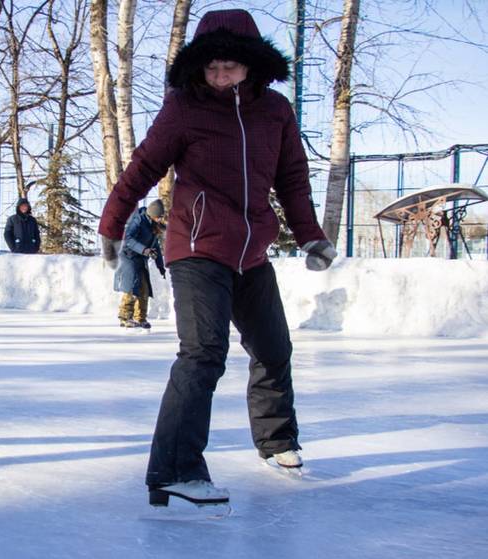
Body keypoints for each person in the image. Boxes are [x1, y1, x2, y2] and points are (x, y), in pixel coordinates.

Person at [98, 9, 337, 507]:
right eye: (211, 68)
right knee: (203, 354)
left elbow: (293, 178)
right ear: (198, 69)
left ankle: (276, 441)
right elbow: (142, 168)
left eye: (229, 66)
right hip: (197, 246)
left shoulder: (274, 110)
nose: (220, 76)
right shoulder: (185, 108)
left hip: (251, 250)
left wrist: (311, 236)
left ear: (251, 64)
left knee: (273, 347)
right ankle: (174, 470)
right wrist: (113, 226)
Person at [114, 199, 166, 329]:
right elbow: (128, 240)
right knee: (132, 285)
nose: (160, 219)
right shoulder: (138, 220)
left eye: (161, 217)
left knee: (144, 288)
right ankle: (125, 317)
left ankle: (140, 318)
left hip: (140, 257)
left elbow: (156, 247)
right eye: (159, 216)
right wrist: (144, 250)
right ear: (152, 214)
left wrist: (161, 267)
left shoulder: (153, 225)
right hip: (128, 256)